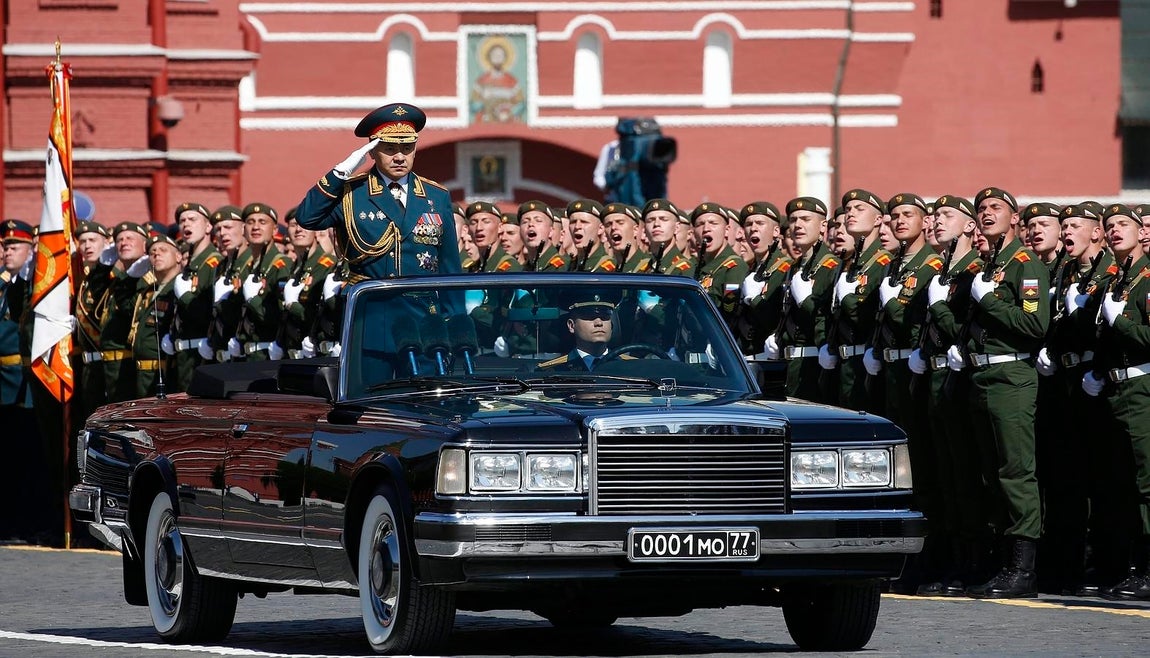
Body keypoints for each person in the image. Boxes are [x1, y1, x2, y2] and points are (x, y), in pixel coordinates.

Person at [949, 187, 1049, 599]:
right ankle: (998, 562)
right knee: (991, 474)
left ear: (1014, 217)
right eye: (982, 209)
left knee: (1015, 473)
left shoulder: (1025, 266)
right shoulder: (985, 266)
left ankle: (1022, 570)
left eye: (996, 208)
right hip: (981, 378)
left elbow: (1034, 326)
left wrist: (988, 299)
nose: (988, 214)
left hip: (1011, 380)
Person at [295, 102, 461, 282]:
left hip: (423, 306)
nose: (399, 157)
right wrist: (339, 174)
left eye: (407, 148)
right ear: (372, 152)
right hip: (373, 304)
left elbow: (449, 264)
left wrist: (454, 310)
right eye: (390, 148)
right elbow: (307, 217)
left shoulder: (436, 195)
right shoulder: (352, 193)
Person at [1084, 204, 1150, 601]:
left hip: (1143, 388)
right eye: (1109, 227)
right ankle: (1131, 567)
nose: (1114, 232)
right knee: (1124, 483)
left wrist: (1119, 321)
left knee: (1147, 483)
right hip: (1117, 389)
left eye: (1122, 225)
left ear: (1140, 232)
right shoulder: (1117, 281)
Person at [765, 197, 841, 402]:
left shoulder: (832, 266)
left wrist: (806, 300)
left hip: (814, 365)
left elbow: (827, 318)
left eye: (806, 219)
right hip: (790, 365)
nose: (798, 225)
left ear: (823, 226)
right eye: (793, 220)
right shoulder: (793, 268)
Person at [162, 202, 221, 391]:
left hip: (202, 353)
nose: (186, 224)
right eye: (182, 221)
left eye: (192, 219)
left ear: (208, 227)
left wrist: (186, 296)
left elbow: (208, 310)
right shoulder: (192, 263)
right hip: (184, 353)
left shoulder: (213, 262)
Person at [272, 208, 336, 360]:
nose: (299, 229)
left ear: (316, 230)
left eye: (305, 225)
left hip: (315, 353)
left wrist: (292, 305)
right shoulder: (294, 267)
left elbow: (320, 314)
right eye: (294, 225)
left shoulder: (326, 265)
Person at [233, 203, 290, 361]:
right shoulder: (246, 267)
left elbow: (281, 316)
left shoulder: (281, 265)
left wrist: (254, 300)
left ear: (275, 230)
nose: (255, 227)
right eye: (250, 222)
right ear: (244, 230)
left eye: (262, 222)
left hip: (268, 356)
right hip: (246, 355)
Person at [690, 203, 749, 331]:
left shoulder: (734, 267)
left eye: (713, 223)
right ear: (694, 233)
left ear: (726, 230)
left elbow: (729, 314)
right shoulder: (696, 269)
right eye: (700, 224)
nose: (706, 228)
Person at [537, 294, 617, 371]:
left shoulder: (628, 366)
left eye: (605, 317)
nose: (599, 323)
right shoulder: (553, 371)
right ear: (571, 326)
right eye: (589, 317)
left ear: (611, 325)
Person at [566, 199, 615, 271]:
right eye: (573, 222)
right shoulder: (568, 266)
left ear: (600, 229)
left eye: (584, 222)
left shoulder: (609, 270)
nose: (577, 226)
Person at [603, 203, 650, 272]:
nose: (613, 227)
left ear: (635, 230)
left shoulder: (649, 269)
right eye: (608, 224)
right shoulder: (606, 272)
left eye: (620, 222)